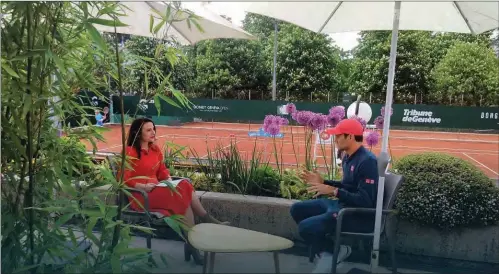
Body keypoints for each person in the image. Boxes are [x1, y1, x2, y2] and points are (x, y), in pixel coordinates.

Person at [118, 117, 228, 266]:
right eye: (148, 130)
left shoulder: (155, 149)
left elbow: (162, 170)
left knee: (184, 189)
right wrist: (142, 186)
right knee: (185, 186)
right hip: (141, 196)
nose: (153, 132)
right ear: (138, 133)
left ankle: (192, 245)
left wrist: (169, 180)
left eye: (153, 129)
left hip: (158, 190)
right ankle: (204, 223)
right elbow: (122, 179)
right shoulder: (130, 151)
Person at [290, 118, 379, 273]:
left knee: (306, 228)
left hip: (357, 215)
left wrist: (333, 191)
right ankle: (330, 251)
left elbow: (365, 200)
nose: (335, 139)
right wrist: (324, 181)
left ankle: (331, 253)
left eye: (338, 136)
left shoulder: (368, 162)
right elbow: (349, 187)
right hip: (342, 205)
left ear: (350, 137)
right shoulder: (348, 157)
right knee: (297, 209)